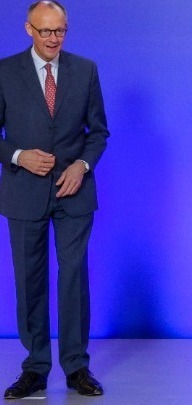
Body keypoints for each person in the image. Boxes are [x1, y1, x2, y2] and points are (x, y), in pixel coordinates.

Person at [0, 0, 108, 399]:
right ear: (29, 29)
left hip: (73, 192)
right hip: (23, 191)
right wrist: (18, 156)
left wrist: (82, 165)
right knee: (29, 280)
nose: (53, 38)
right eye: (45, 31)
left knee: (74, 276)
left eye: (59, 30)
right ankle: (35, 367)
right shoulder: (4, 71)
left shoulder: (86, 69)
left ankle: (77, 367)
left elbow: (98, 132)